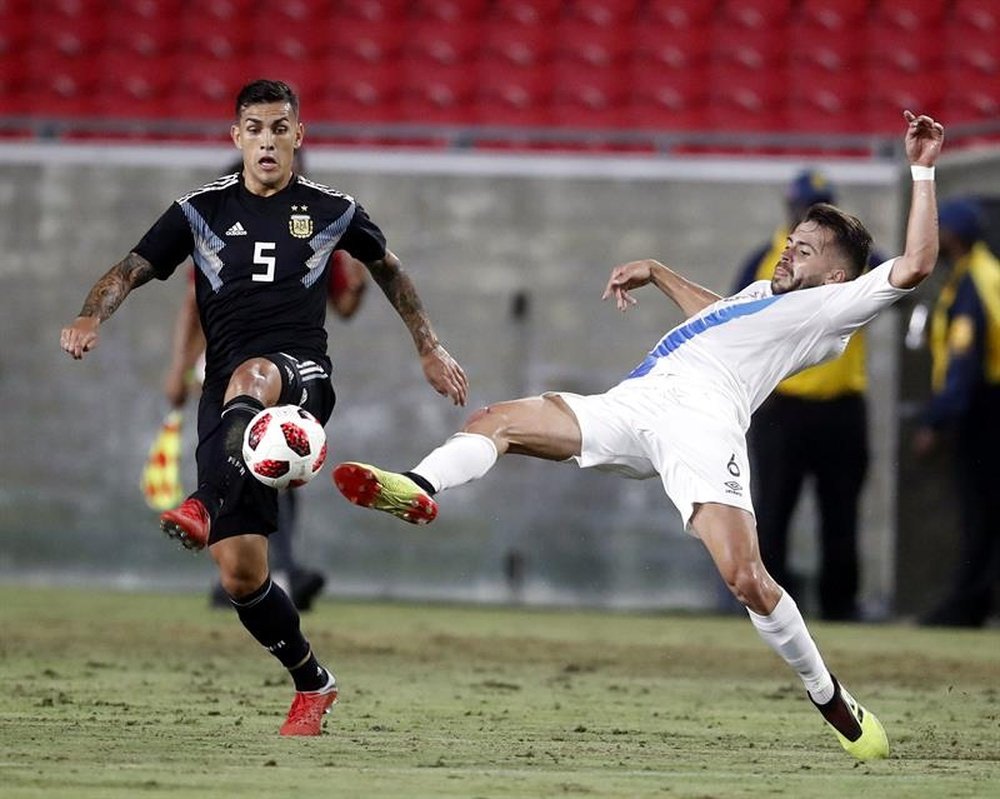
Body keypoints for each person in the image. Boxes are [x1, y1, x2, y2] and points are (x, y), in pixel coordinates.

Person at [331, 111, 945, 761]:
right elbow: (718, 315)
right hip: (634, 402)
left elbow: (915, 264)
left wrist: (923, 168)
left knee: (747, 578)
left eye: (807, 248)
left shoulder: (831, 308)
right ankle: (419, 487)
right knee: (497, 419)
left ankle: (833, 700)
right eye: (793, 239)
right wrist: (656, 270)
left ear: (836, 276)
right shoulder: (766, 289)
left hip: (703, 425)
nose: (790, 249)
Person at [60, 79, 468, 736]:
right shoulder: (200, 210)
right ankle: (313, 681)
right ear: (236, 137)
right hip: (229, 400)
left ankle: (199, 499)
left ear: (299, 137)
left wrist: (429, 346)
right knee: (241, 573)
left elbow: (388, 269)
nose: (268, 140)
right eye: (255, 128)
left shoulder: (332, 209)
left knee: (253, 375)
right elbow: (131, 268)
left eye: (281, 128)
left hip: (302, 378)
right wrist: (88, 314)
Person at [164, 237, 368, 612]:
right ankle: (254, 571)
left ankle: (267, 571)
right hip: (228, 364)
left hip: (285, 365)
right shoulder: (222, 226)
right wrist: (181, 366)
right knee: (241, 463)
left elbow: (345, 305)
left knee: (277, 466)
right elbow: (194, 302)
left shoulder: (321, 229)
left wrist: (361, 282)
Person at [732, 170, 885, 621]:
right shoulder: (766, 259)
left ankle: (841, 606)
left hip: (840, 404)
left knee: (841, 514)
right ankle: (766, 608)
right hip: (783, 404)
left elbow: (900, 282)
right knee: (773, 511)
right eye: (803, 208)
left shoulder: (860, 259)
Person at [913, 197, 1000, 627]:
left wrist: (937, 420)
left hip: (985, 410)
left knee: (978, 512)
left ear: (955, 235)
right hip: (987, 403)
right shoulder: (984, 274)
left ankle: (969, 605)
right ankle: (975, 601)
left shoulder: (971, 286)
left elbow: (964, 363)